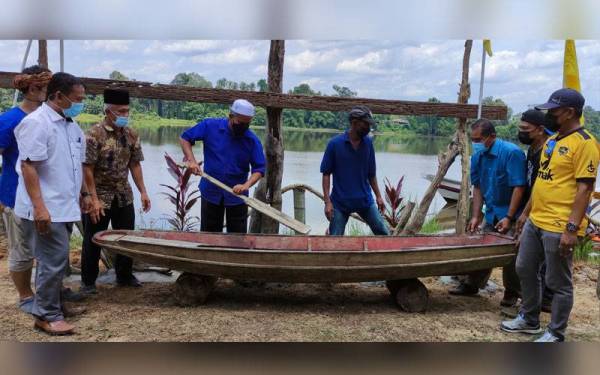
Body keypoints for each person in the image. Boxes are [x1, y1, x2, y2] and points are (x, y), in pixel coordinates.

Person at [502, 88, 599, 342]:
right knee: (524, 267)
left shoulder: (585, 143)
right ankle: (529, 319)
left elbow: (585, 189)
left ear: (569, 112)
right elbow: (542, 181)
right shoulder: (553, 139)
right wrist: (525, 214)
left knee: (558, 281)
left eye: (553, 110)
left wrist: (571, 228)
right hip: (537, 219)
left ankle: (556, 333)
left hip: (559, 224)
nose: (548, 115)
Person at [14, 72, 91, 335]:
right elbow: (28, 167)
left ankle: (55, 304)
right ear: (58, 96)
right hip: (45, 208)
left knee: (58, 260)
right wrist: (39, 207)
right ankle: (46, 316)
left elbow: (74, 165)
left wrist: (85, 195)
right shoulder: (37, 123)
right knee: (52, 261)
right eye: (77, 99)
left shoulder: (71, 125)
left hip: (64, 206)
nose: (81, 103)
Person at [80, 89, 151, 294]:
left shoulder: (131, 134)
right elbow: (87, 169)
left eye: (127, 111)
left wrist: (143, 192)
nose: (125, 115)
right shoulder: (94, 135)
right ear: (108, 110)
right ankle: (88, 282)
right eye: (121, 111)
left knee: (125, 237)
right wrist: (92, 199)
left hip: (123, 195)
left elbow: (135, 165)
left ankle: (124, 275)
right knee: (93, 239)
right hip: (99, 196)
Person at [449, 119, 525, 308]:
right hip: (491, 212)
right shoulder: (477, 157)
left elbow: (519, 187)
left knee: (510, 254)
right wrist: (476, 216)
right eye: (472, 139)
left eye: (479, 139)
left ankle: (512, 292)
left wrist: (509, 217)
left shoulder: (511, 153)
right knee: (481, 249)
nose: (476, 143)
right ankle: (472, 284)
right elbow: (478, 187)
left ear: (492, 136)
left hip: (511, 213)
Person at [0, 65, 51, 313]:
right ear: (33, 88)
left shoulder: (51, 117)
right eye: (49, 87)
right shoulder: (9, 120)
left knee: (48, 249)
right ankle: (25, 296)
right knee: (22, 250)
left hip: (46, 196)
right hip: (15, 194)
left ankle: (50, 291)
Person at [179, 99, 265, 233]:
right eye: (240, 123)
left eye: (247, 124)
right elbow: (185, 138)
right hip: (210, 192)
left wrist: (246, 185)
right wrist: (192, 161)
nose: (243, 126)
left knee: (238, 240)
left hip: (238, 197)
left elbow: (259, 169)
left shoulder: (252, 140)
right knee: (209, 236)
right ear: (231, 116)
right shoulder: (210, 126)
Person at [320, 105, 389, 236]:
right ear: (354, 123)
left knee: (383, 233)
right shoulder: (334, 144)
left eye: (370, 125)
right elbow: (326, 174)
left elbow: (371, 174)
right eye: (366, 124)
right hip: (340, 203)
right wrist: (327, 202)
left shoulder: (368, 143)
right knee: (335, 239)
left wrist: (379, 196)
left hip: (365, 201)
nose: (369, 128)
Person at [515, 109, 554, 313]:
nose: (521, 132)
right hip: (532, 207)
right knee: (531, 260)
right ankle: (535, 298)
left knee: (544, 260)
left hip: (543, 209)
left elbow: (540, 186)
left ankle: (546, 299)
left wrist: (525, 213)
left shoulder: (548, 152)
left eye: (525, 129)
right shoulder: (532, 149)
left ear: (540, 130)